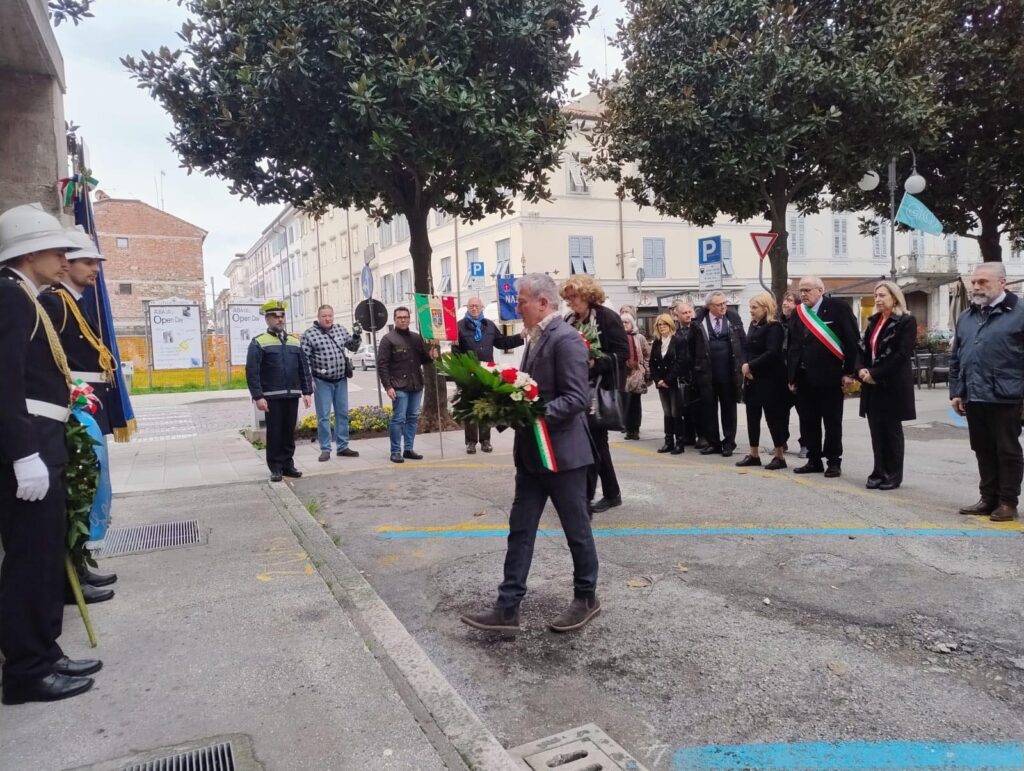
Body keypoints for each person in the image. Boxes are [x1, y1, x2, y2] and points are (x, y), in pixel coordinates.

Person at [0, 202, 100, 705]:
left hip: (45, 442)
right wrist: (22, 453)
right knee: (29, 563)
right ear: (30, 250)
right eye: (58, 250)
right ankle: (26, 670)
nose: (66, 259)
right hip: (31, 448)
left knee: (43, 560)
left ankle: (44, 650)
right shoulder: (10, 297)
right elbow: (5, 381)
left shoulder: (26, 295)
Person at [460, 273, 599, 634]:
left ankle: (586, 597)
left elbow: (576, 399)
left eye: (520, 301)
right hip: (532, 456)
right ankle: (508, 608)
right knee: (520, 530)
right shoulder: (536, 339)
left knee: (576, 531)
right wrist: (504, 406)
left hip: (564, 457)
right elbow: (531, 390)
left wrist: (528, 414)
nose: (516, 307)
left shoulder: (566, 339)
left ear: (542, 303)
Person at [37, 227, 118, 604]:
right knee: (79, 490)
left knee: (90, 488)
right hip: (74, 405)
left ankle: (81, 563)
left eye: (96, 263)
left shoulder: (77, 301)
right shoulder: (54, 301)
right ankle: (71, 576)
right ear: (65, 264)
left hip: (90, 404)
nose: (95, 270)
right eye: (88, 262)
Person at [950, 263, 1024, 521]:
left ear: (1002, 282)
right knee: (982, 448)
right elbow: (956, 358)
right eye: (974, 282)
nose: (976, 287)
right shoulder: (966, 317)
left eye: (983, 282)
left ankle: (1007, 501)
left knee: (1007, 450)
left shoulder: (1020, 312)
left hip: (1007, 395)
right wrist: (957, 391)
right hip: (975, 395)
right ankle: (988, 497)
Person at [561, 275, 629, 514]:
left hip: (598, 391)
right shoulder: (569, 319)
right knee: (588, 444)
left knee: (596, 443)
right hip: (575, 390)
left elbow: (622, 354)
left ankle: (601, 494)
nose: (570, 302)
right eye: (567, 298)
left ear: (588, 294)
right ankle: (603, 493)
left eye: (574, 297)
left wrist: (594, 364)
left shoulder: (607, 317)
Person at [787, 275, 860, 477]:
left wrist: (849, 372)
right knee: (808, 421)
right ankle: (814, 459)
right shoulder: (798, 313)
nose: (803, 294)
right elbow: (792, 346)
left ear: (820, 290)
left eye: (807, 290)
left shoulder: (838, 307)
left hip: (831, 376)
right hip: (804, 377)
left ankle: (834, 461)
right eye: (801, 290)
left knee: (832, 421)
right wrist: (792, 376)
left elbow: (852, 340)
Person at [857, 281, 916, 490]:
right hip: (871, 385)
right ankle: (878, 470)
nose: (878, 299)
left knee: (892, 431)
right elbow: (863, 350)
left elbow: (901, 354)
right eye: (876, 296)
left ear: (895, 297)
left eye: (882, 295)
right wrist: (861, 369)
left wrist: (875, 373)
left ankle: (893, 474)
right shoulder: (874, 321)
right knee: (876, 431)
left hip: (891, 385)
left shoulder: (906, 321)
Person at [246, 300, 312, 482]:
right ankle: (275, 467)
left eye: (282, 316)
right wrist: (258, 396)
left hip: (291, 394)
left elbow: (303, 369)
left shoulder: (294, 342)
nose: (279, 319)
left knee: (289, 432)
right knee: (275, 432)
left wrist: (307, 392)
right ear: (267, 319)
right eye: (275, 316)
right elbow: (252, 372)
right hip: (272, 396)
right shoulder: (259, 342)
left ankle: (288, 465)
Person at [453, 296, 523, 453]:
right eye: (471, 306)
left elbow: (501, 342)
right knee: (470, 408)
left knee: (486, 407)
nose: (474, 308)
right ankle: (470, 442)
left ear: (482, 307)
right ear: (467, 308)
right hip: (468, 374)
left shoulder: (489, 326)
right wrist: (462, 371)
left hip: (487, 373)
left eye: (477, 306)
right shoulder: (459, 327)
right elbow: (455, 352)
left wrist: (520, 337)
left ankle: (485, 441)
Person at [300, 304, 362, 462]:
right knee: (324, 417)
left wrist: (356, 335)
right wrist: (309, 381)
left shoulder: (340, 330)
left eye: (330, 316)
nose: (327, 318)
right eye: (324, 316)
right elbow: (304, 360)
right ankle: (325, 448)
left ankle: (342, 446)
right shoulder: (309, 334)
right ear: (318, 317)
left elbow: (353, 347)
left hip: (340, 380)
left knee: (342, 414)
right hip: (322, 381)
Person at [377, 306, 436, 464]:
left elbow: (423, 359)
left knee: (412, 418)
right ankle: (395, 451)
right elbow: (382, 365)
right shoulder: (388, 339)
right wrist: (388, 387)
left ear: (409, 318)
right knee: (398, 419)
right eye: (399, 317)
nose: (403, 319)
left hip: (416, 385)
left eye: (405, 317)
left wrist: (431, 356)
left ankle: (408, 449)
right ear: (395, 319)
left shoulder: (416, 338)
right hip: (398, 386)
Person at [691, 291, 746, 457]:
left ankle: (729, 442)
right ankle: (713, 442)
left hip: (728, 374)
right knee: (708, 409)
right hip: (706, 373)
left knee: (728, 409)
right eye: (718, 305)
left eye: (724, 303)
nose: (723, 307)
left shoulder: (733, 318)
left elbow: (743, 342)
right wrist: (696, 367)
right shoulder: (699, 321)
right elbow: (691, 347)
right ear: (709, 307)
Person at [737, 293, 789, 470]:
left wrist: (750, 366)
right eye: (750, 307)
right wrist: (745, 364)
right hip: (752, 379)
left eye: (754, 308)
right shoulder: (753, 326)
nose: (751, 311)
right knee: (752, 417)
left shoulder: (774, 327)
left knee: (773, 418)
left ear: (765, 309)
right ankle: (754, 454)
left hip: (770, 380)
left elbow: (772, 352)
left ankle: (780, 456)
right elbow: (745, 347)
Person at [649, 313, 686, 454]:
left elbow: (680, 362)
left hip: (673, 382)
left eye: (664, 324)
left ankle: (679, 443)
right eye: (659, 324)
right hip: (661, 383)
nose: (662, 327)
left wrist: (668, 380)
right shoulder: (657, 342)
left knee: (676, 412)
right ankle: (668, 441)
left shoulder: (678, 340)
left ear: (670, 325)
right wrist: (657, 380)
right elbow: (652, 362)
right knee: (667, 413)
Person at [780, 291, 806, 458]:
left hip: (797, 374)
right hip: (781, 375)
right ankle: (781, 442)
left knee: (804, 412)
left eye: (789, 300)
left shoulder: (803, 323)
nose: (785, 303)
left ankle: (806, 444)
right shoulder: (778, 323)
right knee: (781, 411)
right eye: (784, 300)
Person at [672, 300, 700, 446]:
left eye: (689, 312)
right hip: (684, 373)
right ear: (677, 315)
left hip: (697, 372)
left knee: (698, 407)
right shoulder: (677, 333)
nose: (688, 315)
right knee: (685, 406)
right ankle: (689, 435)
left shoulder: (697, 328)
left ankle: (701, 435)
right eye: (684, 313)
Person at [620, 312, 650, 441]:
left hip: (637, 373)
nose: (624, 325)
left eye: (626, 322)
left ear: (632, 323)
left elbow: (647, 353)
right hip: (624, 375)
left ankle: (636, 429)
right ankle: (628, 429)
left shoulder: (639, 337)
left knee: (636, 403)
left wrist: (646, 369)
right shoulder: (619, 337)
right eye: (622, 322)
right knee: (626, 402)